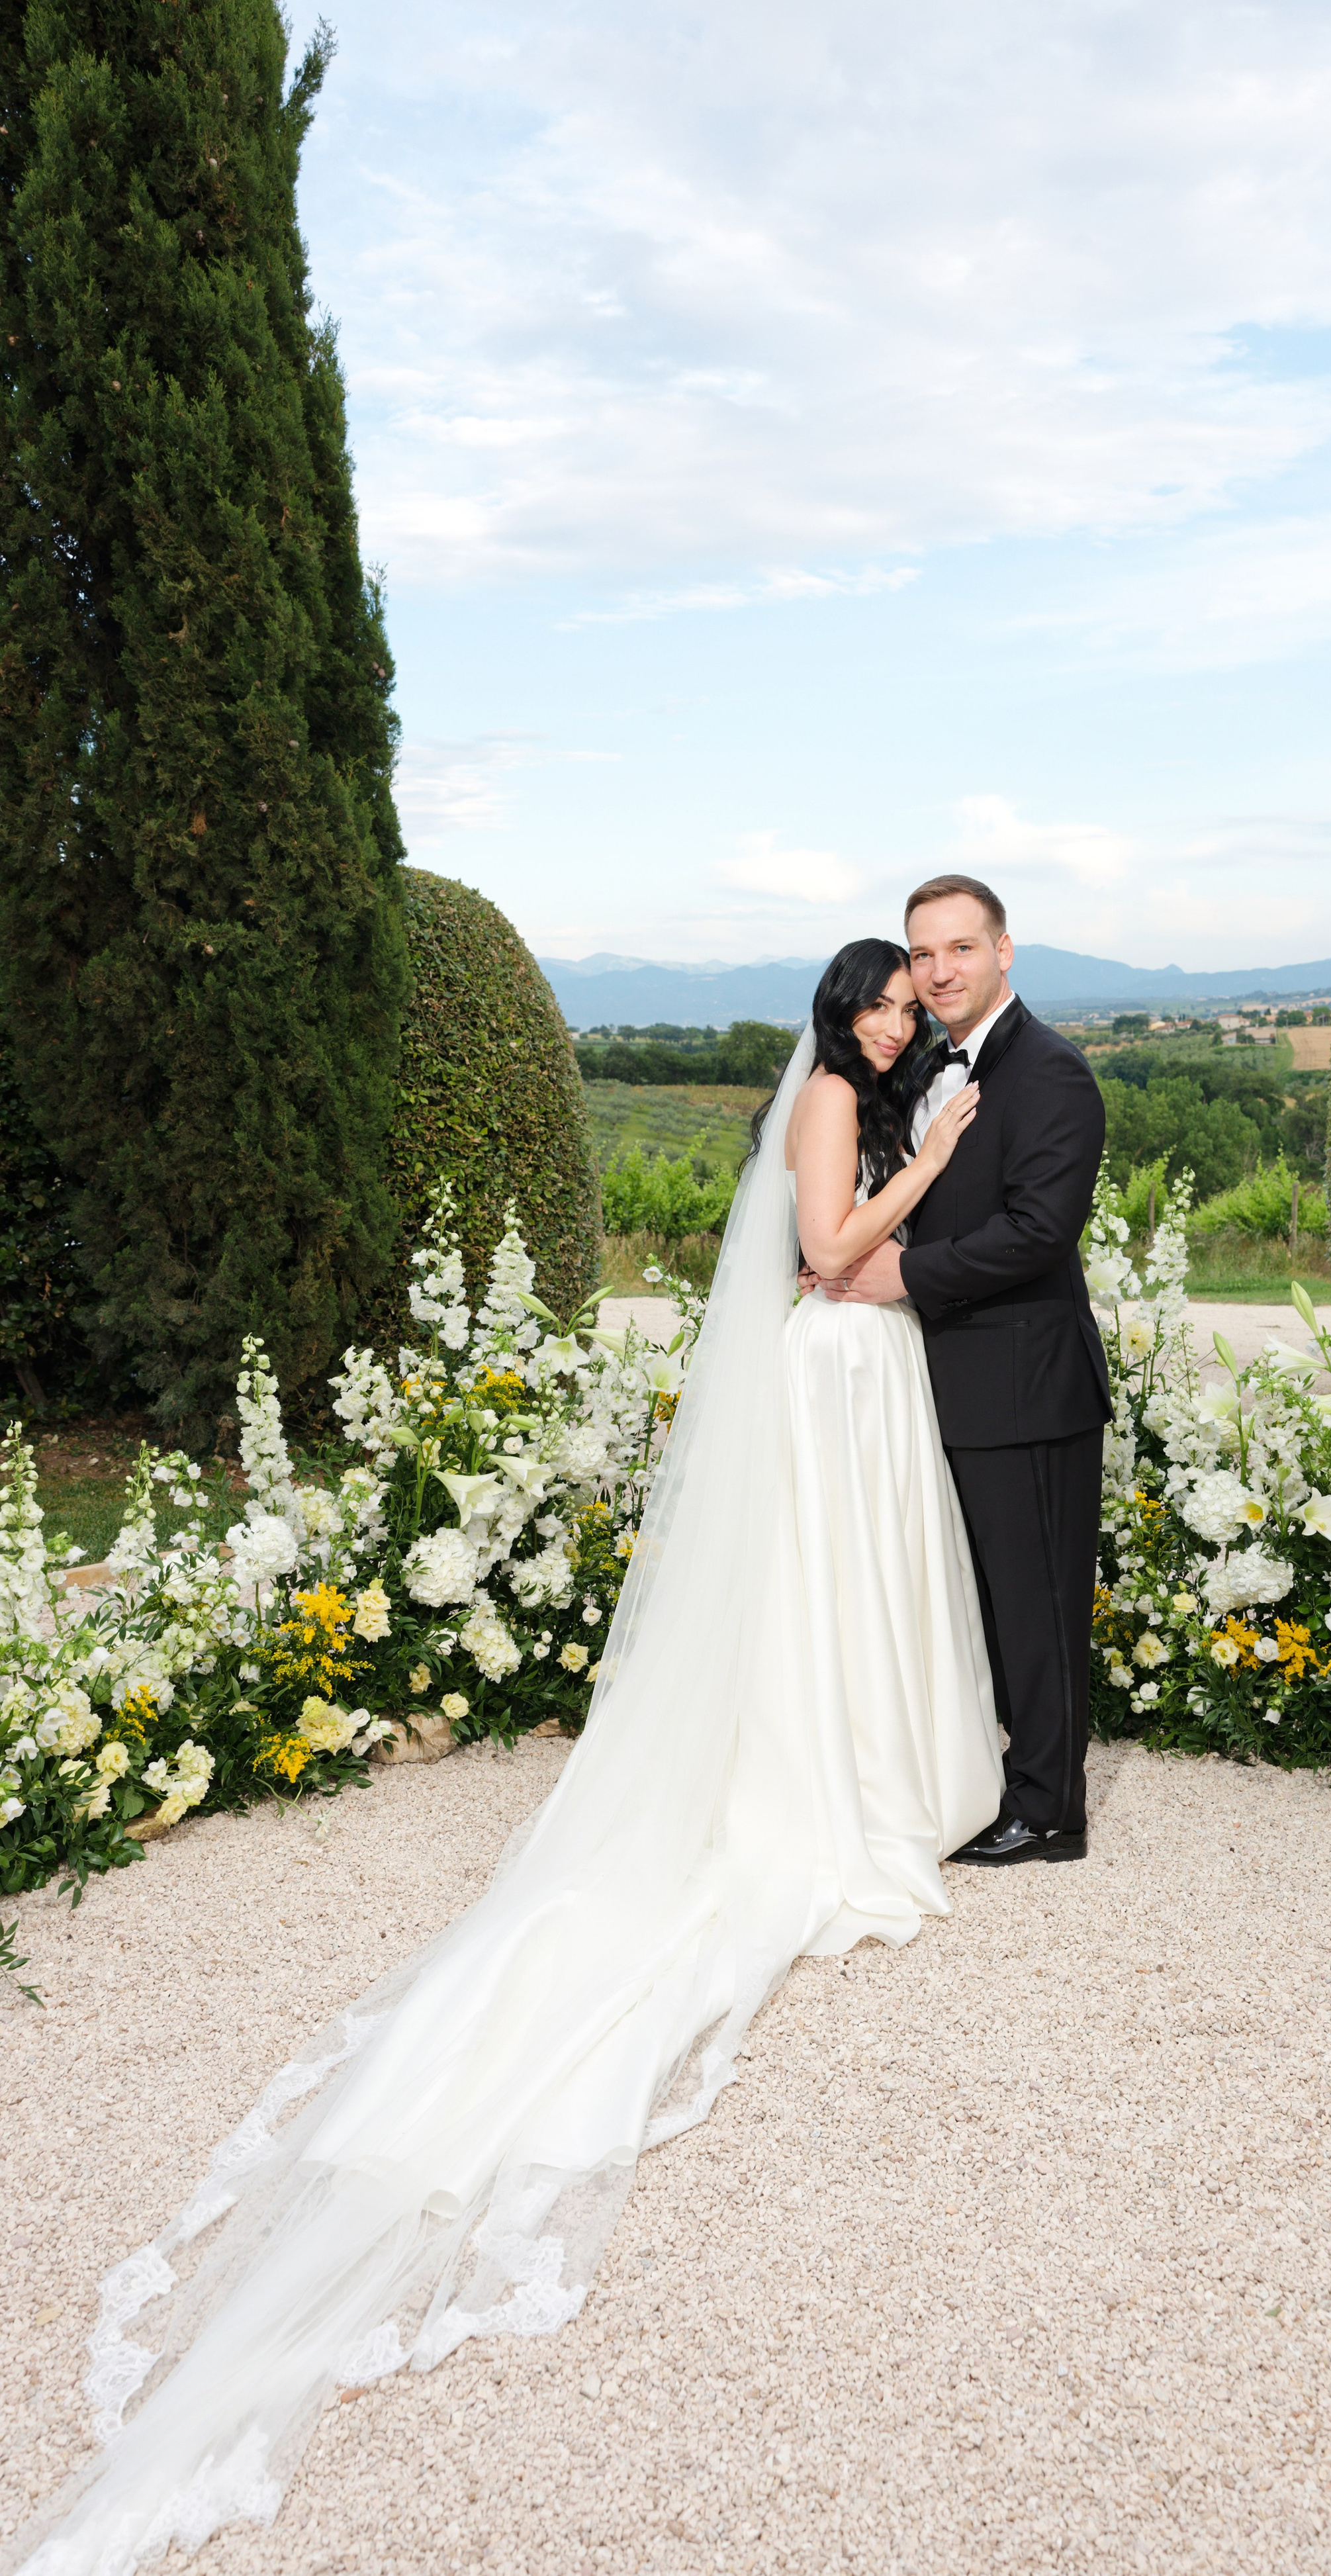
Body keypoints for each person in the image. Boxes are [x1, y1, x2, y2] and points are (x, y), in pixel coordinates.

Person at [5, 939, 1003, 2576]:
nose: (895, 1017)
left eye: (909, 998)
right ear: (839, 1014)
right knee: (814, 1607)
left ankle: (879, 1755)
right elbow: (824, 1253)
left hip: (861, 1384)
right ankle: (828, 1789)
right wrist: (937, 1166)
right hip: (829, 1367)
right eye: (878, 996)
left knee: (853, 1603)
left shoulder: (868, 1087)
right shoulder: (834, 1098)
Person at [822, 874, 1110, 1863]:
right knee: (985, 1599)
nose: (940, 971)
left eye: (961, 950)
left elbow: (1038, 1232)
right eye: (924, 954)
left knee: (1037, 1603)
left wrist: (906, 1274)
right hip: (949, 1383)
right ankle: (1002, 1778)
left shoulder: (1052, 1073)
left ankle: (1050, 1812)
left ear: (1004, 952)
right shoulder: (937, 1068)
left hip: (1029, 1386)